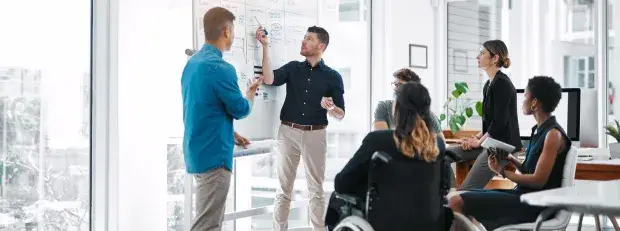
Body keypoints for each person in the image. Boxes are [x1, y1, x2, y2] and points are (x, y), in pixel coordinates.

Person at [448, 76, 570, 230]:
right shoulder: (539, 130)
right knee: (456, 197)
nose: (522, 101)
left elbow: (538, 180)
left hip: (533, 203)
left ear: (534, 102)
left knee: (456, 201)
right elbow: (529, 171)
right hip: (522, 195)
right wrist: (511, 159)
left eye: (525, 96)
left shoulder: (553, 134)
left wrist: (502, 171)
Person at [256, 25, 345, 231]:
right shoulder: (293, 68)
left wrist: (331, 107)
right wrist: (265, 46)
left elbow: (340, 113)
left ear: (321, 46)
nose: (303, 41)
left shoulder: (332, 76)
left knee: (316, 190)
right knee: (283, 189)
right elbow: (269, 79)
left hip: (316, 134)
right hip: (288, 133)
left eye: (309, 39)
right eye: (304, 38)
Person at [326, 82, 449, 231]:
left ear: (397, 108)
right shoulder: (438, 146)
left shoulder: (377, 140)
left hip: (383, 222)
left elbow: (342, 183)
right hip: (428, 222)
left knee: (337, 199)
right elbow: (445, 187)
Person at [181, 7, 262, 231]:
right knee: (208, 225)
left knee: (210, 221)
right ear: (226, 31)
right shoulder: (221, 68)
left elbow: (201, 108)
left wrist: (232, 134)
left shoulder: (193, 64)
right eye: (233, 30)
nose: (234, 35)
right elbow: (240, 109)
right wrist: (249, 94)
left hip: (197, 150)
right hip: (214, 156)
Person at [447, 39, 522, 190]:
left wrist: (479, 142)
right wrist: (476, 138)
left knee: (467, 191)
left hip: (502, 147)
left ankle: (459, 199)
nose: (477, 57)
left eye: (482, 53)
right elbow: (490, 122)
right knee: (441, 155)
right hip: (489, 142)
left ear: (494, 58)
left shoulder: (502, 84)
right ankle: (452, 193)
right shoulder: (489, 84)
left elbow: (500, 123)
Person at [373, 68, 442, 134]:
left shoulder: (428, 115)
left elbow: (440, 142)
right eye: (395, 85)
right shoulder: (384, 107)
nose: (395, 89)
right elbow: (382, 140)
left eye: (400, 85)